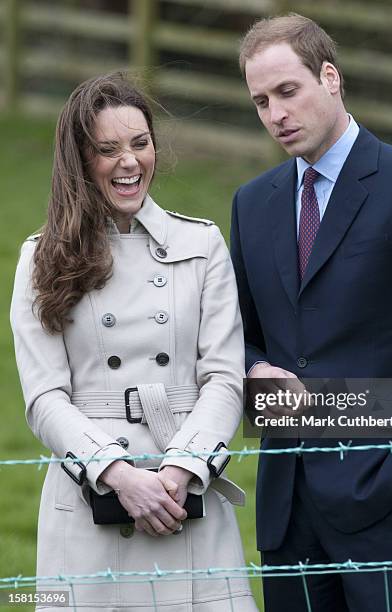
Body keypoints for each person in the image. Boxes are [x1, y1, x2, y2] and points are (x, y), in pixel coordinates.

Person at [230, 14, 392, 612]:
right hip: (286, 505)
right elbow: (238, 337)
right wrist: (251, 372)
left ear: (330, 77)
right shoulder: (253, 205)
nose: (276, 114)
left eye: (288, 91)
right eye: (261, 101)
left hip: (391, 504)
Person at [10, 72, 257, 612]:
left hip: (185, 496)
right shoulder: (40, 258)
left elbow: (223, 376)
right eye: (108, 149)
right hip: (90, 505)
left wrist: (179, 471)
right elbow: (44, 398)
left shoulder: (203, 244)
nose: (129, 162)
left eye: (140, 144)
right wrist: (119, 477)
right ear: (79, 160)